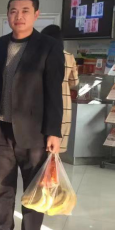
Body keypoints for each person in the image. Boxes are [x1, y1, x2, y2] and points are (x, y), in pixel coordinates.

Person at [0, 0, 64, 230]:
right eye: (13, 11)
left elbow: (54, 92)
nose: (19, 16)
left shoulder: (48, 47)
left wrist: (54, 131)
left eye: (25, 11)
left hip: (34, 133)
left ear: (36, 14)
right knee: (1, 188)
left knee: (33, 191)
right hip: (1, 129)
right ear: (8, 14)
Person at [41, 24, 79, 153]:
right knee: (57, 144)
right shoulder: (69, 56)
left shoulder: (40, 54)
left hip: (44, 101)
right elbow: (74, 81)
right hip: (64, 103)